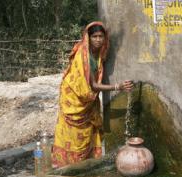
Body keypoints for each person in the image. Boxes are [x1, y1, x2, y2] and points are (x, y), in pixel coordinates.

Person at [51, 21, 133, 168]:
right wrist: (117, 86)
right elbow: (92, 85)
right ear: (88, 37)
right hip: (74, 99)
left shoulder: (100, 52)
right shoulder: (83, 56)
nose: (98, 40)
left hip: (88, 99)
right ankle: (68, 165)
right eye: (94, 36)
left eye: (101, 36)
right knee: (73, 134)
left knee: (88, 130)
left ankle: (85, 163)